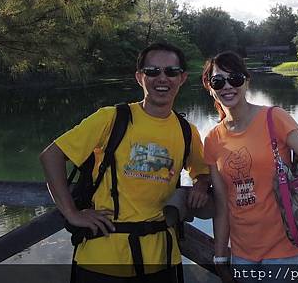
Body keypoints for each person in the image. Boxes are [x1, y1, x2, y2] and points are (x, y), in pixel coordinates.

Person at [40, 42, 211, 283]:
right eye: (152, 71)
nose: (162, 78)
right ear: (139, 77)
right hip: (103, 255)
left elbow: (201, 171)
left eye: (171, 72)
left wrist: (202, 185)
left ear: (182, 78)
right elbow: (51, 155)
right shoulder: (111, 118)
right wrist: (71, 213)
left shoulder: (187, 131)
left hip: (161, 257)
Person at [202, 51, 298, 283]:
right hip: (242, 257)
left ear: (247, 81)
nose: (227, 86)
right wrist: (221, 255)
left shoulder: (274, 118)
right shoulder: (212, 140)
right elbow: (222, 203)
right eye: (218, 81)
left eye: (235, 79)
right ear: (209, 87)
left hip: (286, 253)